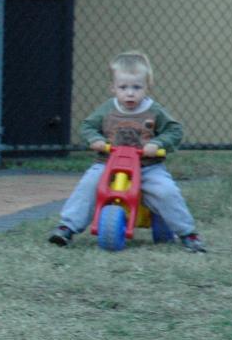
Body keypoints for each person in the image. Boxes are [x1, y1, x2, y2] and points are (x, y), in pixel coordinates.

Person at [48, 50, 206, 252]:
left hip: (147, 167)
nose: (130, 93)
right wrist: (95, 139)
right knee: (88, 185)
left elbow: (174, 130)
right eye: (123, 87)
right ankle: (67, 227)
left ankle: (188, 234)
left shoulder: (154, 110)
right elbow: (87, 126)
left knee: (166, 191)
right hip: (108, 164)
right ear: (113, 88)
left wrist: (157, 144)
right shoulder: (107, 109)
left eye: (137, 87)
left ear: (147, 87)